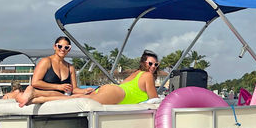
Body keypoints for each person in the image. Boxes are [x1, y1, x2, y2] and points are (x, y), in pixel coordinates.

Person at [19, 50, 159, 106]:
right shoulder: (147, 75)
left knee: (74, 98)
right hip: (117, 94)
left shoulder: (136, 73)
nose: (153, 66)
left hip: (111, 90)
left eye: (156, 64)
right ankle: (36, 96)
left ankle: (36, 97)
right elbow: (154, 100)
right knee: (76, 99)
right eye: (150, 63)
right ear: (143, 63)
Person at [25, 36, 94, 101]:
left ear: (69, 49)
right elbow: (35, 83)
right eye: (60, 46)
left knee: (85, 96)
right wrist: (58, 87)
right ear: (55, 47)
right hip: (47, 96)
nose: (63, 49)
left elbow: (74, 89)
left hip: (60, 98)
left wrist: (85, 91)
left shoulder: (70, 67)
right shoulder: (46, 61)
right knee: (70, 97)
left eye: (66, 47)